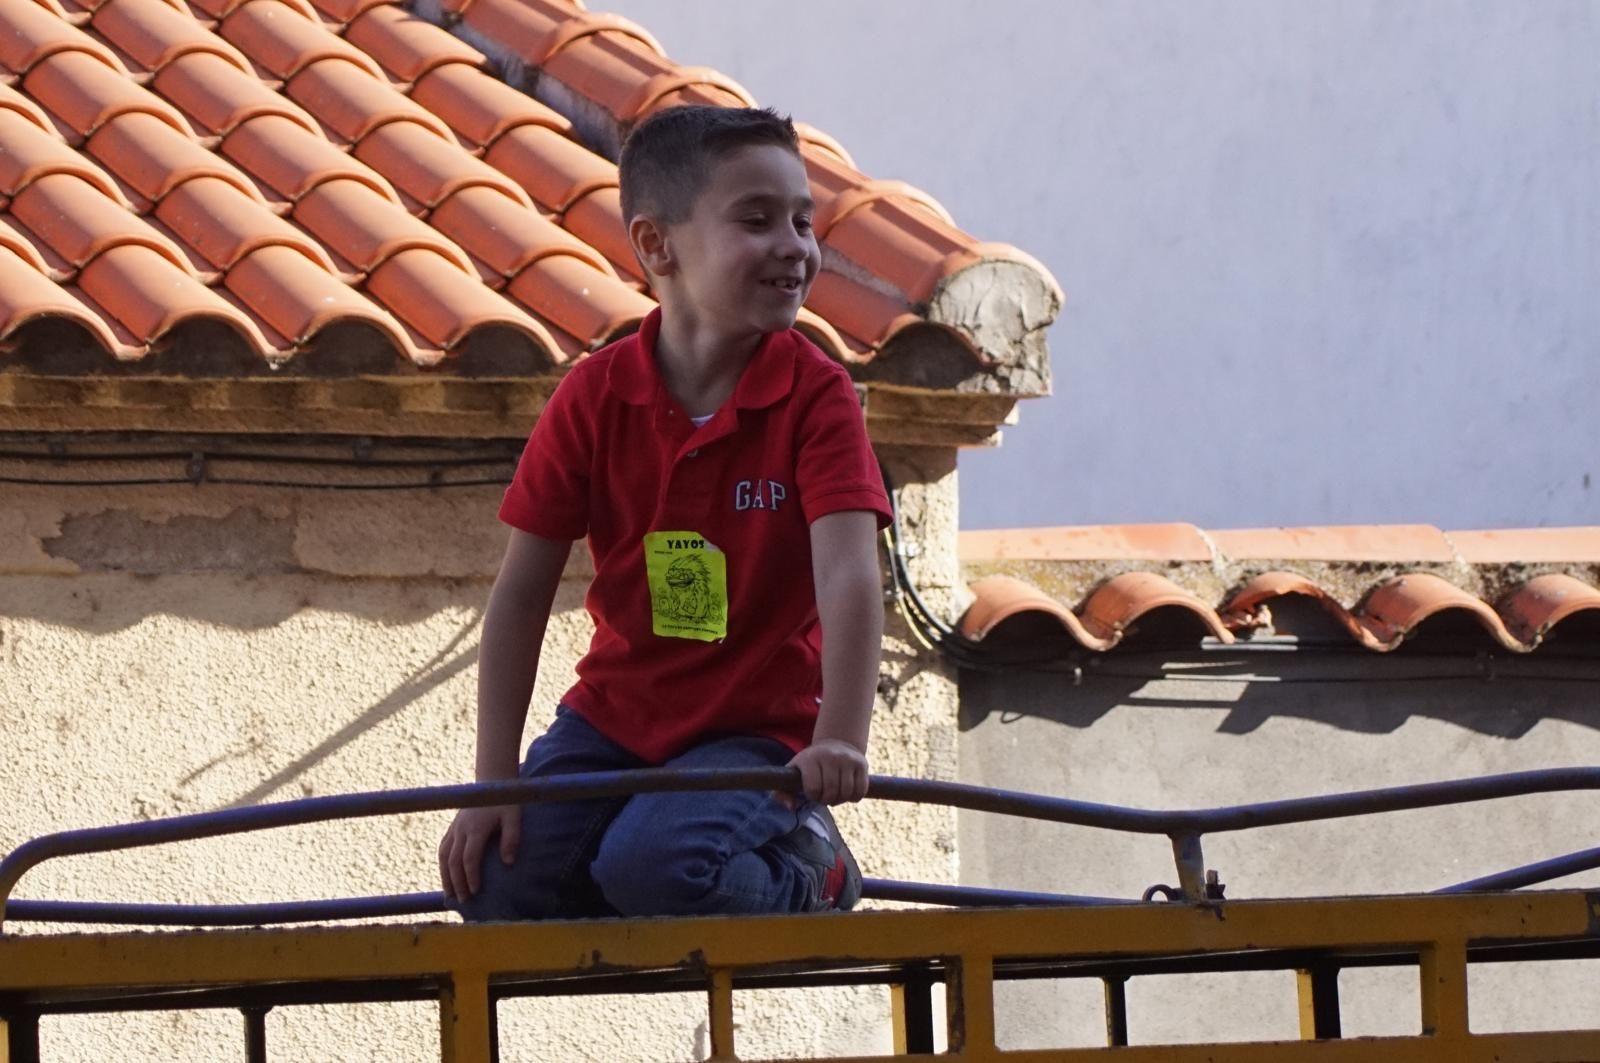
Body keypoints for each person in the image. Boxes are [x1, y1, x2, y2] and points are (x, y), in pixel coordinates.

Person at [437, 105, 891, 920]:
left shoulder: (816, 395)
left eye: (802, 220)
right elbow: (519, 594)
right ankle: (639, 867)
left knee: (659, 868)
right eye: (756, 220)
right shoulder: (595, 394)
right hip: (613, 719)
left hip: (755, 729)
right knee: (494, 880)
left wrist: (841, 740)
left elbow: (852, 572)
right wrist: (493, 780)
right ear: (656, 246)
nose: (794, 245)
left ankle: (814, 870)